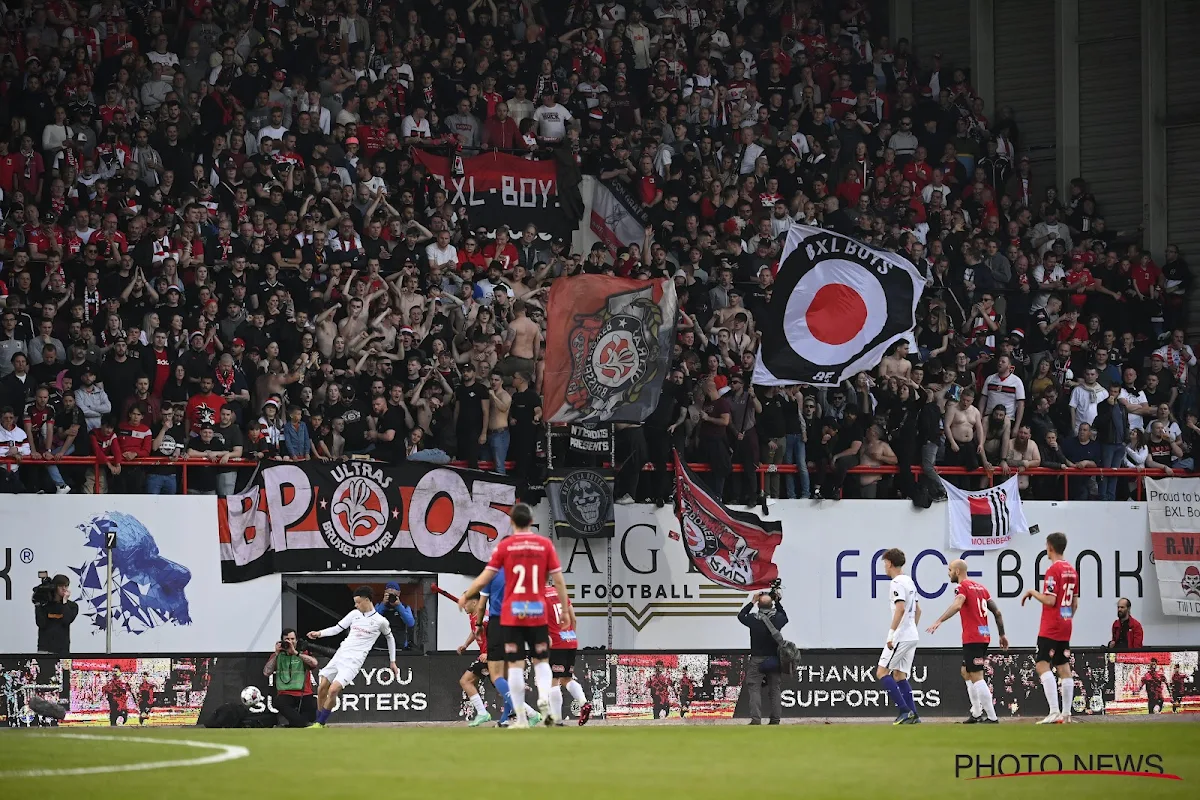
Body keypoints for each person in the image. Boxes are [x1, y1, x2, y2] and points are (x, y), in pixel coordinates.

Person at [458, 503, 573, 727]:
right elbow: (558, 580)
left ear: (512, 522)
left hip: (512, 615)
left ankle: (521, 714)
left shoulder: (505, 548)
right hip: (536, 612)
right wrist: (566, 609)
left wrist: (467, 595)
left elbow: (485, 578)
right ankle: (542, 702)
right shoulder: (544, 545)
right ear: (531, 521)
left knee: (515, 666)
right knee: (541, 662)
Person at [925, 559, 1008, 724]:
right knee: (966, 671)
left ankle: (992, 717)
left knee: (977, 675)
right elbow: (997, 612)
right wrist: (1002, 634)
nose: (948, 573)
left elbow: (957, 606)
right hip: (984, 636)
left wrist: (939, 621)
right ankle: (976, 712)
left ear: (957, 571)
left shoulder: (961, 587)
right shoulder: (982, 588)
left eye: (949, 570)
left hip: (973, 638)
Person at [305, 586, 399, 729]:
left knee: (333, 690)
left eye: (358, 602)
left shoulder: (381, 621)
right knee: (322, 687)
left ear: (367, 600)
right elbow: (337, 628)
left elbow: (390, 638)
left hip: (353, 662)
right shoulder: (354, 614)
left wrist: (393, 661)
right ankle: (318, 721)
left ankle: (320, 722)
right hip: (340, 655)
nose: (356, 605)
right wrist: (319, 633)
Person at [1021, 531, 1079, 724]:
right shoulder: (1072, 570)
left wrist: (1032, 592)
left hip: (1051, 626)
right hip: (1066, 624)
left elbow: (1050, 600)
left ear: (1050, 547)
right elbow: (1074, 604)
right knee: (1063, 666)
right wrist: (1065, 620)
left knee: (1042, 664)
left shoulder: (1053, 570)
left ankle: (1054, 711)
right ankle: (1067, 713)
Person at [875, 548, 921, 725]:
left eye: (885, 564)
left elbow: (900, 608)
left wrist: (892, 634)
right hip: (911, 634)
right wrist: (911, 629)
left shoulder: (896, 583)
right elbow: (918, 610)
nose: (885, 567)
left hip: (901, 635)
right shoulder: (909, 581)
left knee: (882, 671)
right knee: (900, 675)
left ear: (889, 563)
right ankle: (914, 714)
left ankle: (904, 710)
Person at [737, 587, 788, 725]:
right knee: (775, 690)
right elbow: (785, 616)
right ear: (772, 605)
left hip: (757, 660)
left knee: (754, 689)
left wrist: (752, 601)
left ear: (758, 605)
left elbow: (741, 615)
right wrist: (777, 601)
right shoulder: (777, 619)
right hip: (773, 659)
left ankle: (756, 719)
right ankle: (775, 720)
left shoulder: (753, 619)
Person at [544, 578, 590, 726]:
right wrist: (571, 637)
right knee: (566, 679)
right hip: (570, 640)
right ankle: (584, 702)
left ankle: (557, 720)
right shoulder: (561, 594)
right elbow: (574, 619)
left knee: (553, 681)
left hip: (555, 642)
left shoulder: (539, 597)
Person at [263, 628, 319, 728]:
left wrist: (296, 653)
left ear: (296, 640)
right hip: (286, 693)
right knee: (279, 703)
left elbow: (314, 663)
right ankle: (303, 724)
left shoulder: (302, 653)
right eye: (287, 639)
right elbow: (267, 672)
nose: (290, 642)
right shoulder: (278, 655)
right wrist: (276, 654)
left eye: (292, 639)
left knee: (313, 707)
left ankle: (294, 725)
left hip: (304, 693)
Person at [456, 596, 496, 727]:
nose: (463, 605)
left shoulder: (485, 617)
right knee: (466, 681)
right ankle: (482, 712)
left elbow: (495, 635)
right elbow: (475, 632)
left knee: (466, 681)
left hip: (490, 657)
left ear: (474, 602)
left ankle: (530, 714)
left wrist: (488, 652)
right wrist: (466, 645)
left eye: (465, 602)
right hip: (484, 657)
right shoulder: (473, 616)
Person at [35, 574, 78, 655]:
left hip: (62, 650)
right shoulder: (45, 605)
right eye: (61, 586)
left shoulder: (72, 606)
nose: (64, 589)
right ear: (55, 587)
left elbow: (66, 620)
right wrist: (38, 605)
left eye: (66, 586)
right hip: (45, 648)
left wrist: (64, 602)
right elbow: (41, 623)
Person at [375, 581, 415, 650]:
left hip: (399, 646)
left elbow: (410, 623)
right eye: (389, 594)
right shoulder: (379, 605)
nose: (391, 597)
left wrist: (399, 606)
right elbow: (372, 621)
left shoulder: (405, 607)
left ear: (398, 594)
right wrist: (383, 605)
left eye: (393, 595)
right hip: (381, 646)